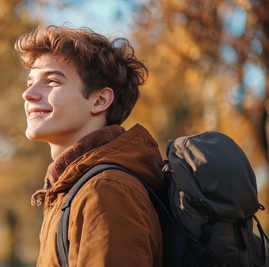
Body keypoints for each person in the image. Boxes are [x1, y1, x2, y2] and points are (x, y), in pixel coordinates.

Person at [14, 25, 167, 266]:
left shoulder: (105, 190)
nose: (28, 94)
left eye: (52, 81)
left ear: (99, 100)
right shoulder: (70, 188)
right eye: (30, 82)